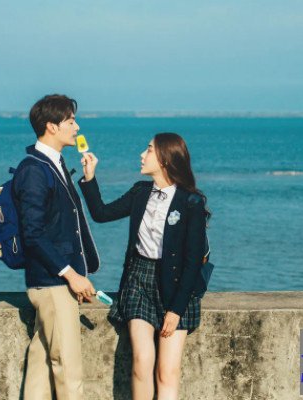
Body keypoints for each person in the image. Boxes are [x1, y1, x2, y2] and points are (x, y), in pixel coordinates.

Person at [77, 132, 209, 400]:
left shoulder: (191, 202)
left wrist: (176, 310)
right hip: (138, 278)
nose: (142, 155)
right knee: (141, 362)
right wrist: (89, 177)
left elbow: (193, 262)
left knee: (167, 372)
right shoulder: (140, 192)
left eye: (148, 150)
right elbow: (101, 214)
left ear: (165, 160)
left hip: (177, 285)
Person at [12, 94, 100, 400]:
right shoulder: (34, 170)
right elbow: (33, 234)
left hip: (54, 282)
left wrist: (88, 178)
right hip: (53, 283)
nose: (77, 127)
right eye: (71, 121)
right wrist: (71, 275)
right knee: (69, 371)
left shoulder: (55, 164)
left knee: (41, 365)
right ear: (52, 126)